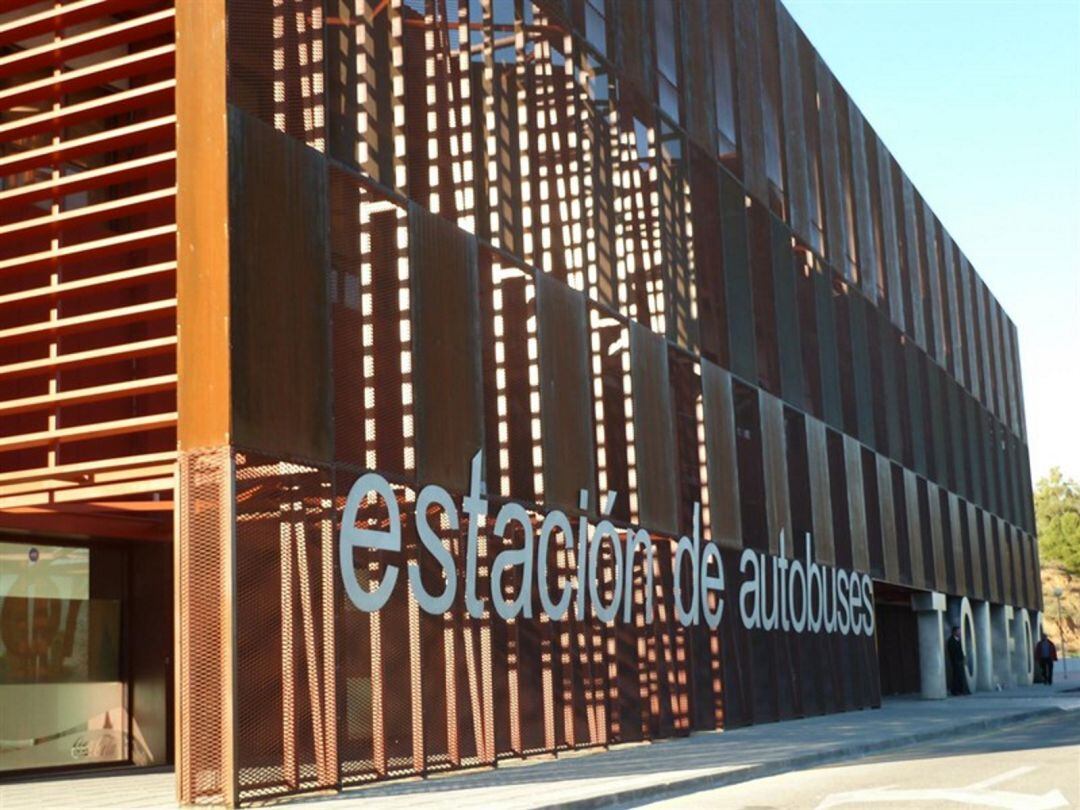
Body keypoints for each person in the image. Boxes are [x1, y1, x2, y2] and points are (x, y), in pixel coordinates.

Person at [946, 625, 968, 696]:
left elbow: (960, 650)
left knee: (960, 676)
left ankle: (961, 690)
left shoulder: (958, 640)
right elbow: (953, 651)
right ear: (954, 632)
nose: (960, 632)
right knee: (956, 676)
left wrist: (963, 657)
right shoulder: (951, 641)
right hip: (955, 661)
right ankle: (955, 691)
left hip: (959, 661)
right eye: (958, 631)